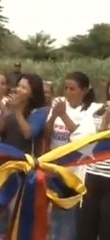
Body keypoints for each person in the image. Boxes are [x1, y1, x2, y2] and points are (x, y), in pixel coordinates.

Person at [0, 73, 48, 240]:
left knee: (17, 204)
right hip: (4, 161)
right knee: (2, 199)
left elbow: (29, 133)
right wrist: (6, 113)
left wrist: (19, 112)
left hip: (24, 166)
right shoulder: (10, 107)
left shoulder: (41, 111)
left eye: (23, 87)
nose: (18, 89)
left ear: (32, 92)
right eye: (18, 86)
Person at [45, 71, 101, 240]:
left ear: (84, 90)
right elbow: (47, 133)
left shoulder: (92, 110)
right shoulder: (59, 104)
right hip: (56, 167)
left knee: (70, 217)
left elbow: (82, 139)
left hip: (76, 170)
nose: (68, 92)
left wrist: (63, 115)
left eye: (73, 88)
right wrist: (55, 114)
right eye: (66, 88)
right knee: (56, 215)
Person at [77, 80, 110, 240]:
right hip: (93, 176)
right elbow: (96, 142)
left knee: (106, 229)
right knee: (86, 227)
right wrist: (107, 117)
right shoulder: (98, 112)